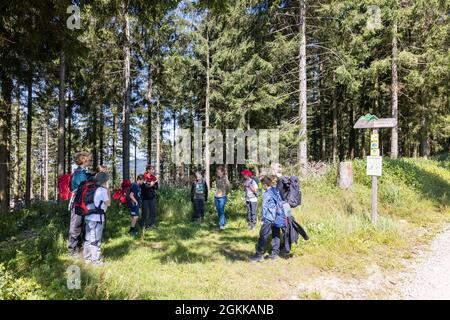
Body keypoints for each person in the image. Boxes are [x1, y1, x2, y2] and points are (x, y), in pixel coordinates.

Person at [249, 176, 286, 262]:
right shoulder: (275, 190)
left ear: (265, 184)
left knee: (263, 235)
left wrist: (263, 219)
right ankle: (274, 254)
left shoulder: (267, 193)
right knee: (276, 234)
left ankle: (259, 255)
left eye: (262, 184)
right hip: (277, 216)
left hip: (269, 218)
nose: (262, 186)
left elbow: (265, 207)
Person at [84, 172, 111, 265]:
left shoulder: (91, 188)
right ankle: (96, 261)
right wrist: (108, 190)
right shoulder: (102, 190)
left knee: (88, 238)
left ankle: (87, 259)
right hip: (97, 218)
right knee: (96, 239)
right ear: (104, 181)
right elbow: (108, 203)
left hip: (88, 216)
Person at [68, 151, 92, 257]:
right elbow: (82, 188)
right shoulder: (79, 173)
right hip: (78, 202)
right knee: (75, 225)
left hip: (82, 202)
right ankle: (72, 251)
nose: (90, 161)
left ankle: (79, 248)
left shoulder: (83, 172)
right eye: (89, 159)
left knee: (82, 225)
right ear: (83, 160)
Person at [214, 166, 230, 231]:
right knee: (218, 210)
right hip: (216, 196)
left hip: (222, 197)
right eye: (217, 172)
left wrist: (225, 193)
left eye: (219, 172)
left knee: (221, 210)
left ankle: (221, 225)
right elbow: (217, 187)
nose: (218, 173)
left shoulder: (225, 179)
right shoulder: (217, 179)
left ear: (222, 172)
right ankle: (221, 222)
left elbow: (228, 188)